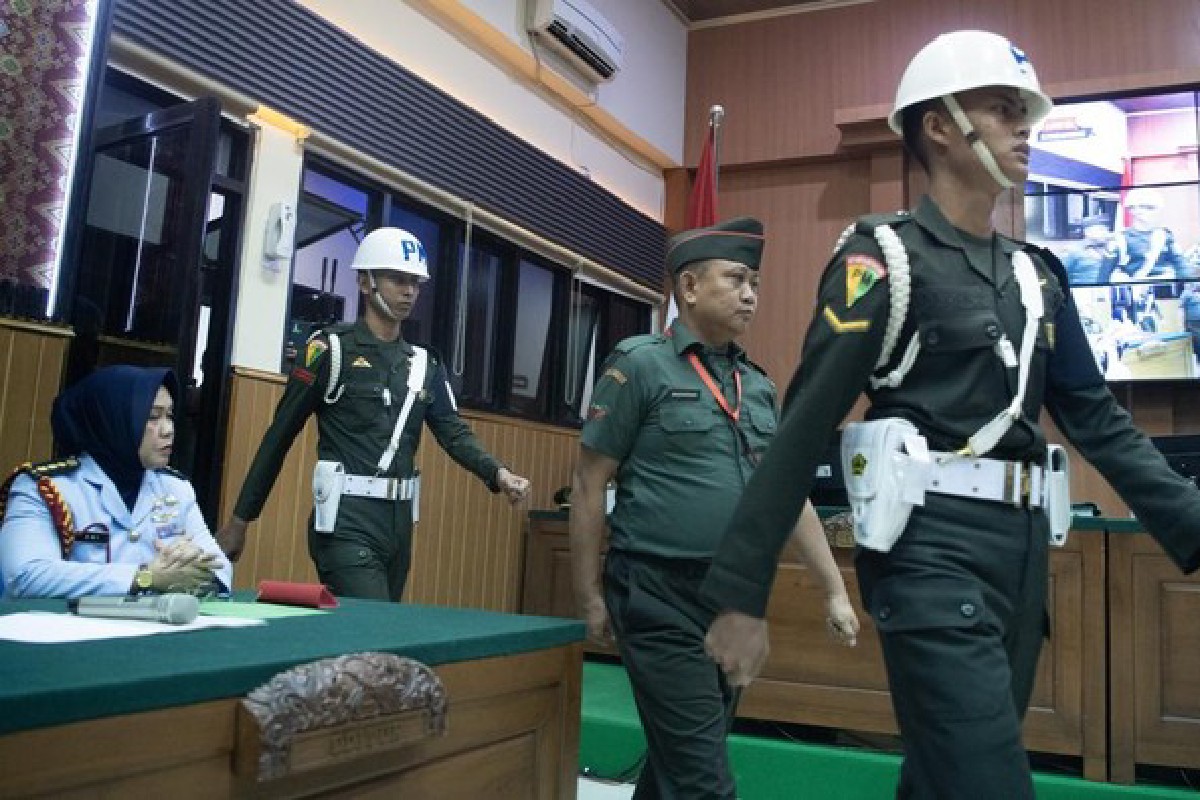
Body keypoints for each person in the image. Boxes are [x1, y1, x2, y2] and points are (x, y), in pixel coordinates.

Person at [699, 31, 1200, 800]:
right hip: (928, 554)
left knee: (943, 779)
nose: (1024, 128)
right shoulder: (884, 260)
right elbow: (801, 428)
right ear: (940, 125)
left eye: (1024, 112)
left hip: (1023, 562)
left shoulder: (1039, 277)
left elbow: (1099, 422)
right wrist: (739, 594)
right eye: (1004, 110)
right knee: (991, 784)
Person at [570, 217, 859, 799]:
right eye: (736, 279)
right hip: (656, 592)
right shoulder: (640, 364)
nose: (751, 294)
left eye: (755, 282)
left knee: (682, 760)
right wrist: (589, 596)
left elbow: (787, 493)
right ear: (690, 287)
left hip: (733, 597)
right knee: (702, 777)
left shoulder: (756, 385)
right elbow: (587, 484)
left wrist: (834, 587)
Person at [216, 227, 531, 601]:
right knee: (374, 634)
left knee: (373, 641)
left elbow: (454, 433)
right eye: (398, 280)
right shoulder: (328, 351)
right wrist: (240, 520)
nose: (409, 291)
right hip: (346, 521)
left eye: (415, 282)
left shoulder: (424, 364)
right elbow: (279, 437)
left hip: (399, 524)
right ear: (365, 283)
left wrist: (498, 472)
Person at [0, 366, 231, 598]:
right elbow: (25, 576)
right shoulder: (44, 488)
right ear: (113, 419)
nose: (168, 430)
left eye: (169, 415)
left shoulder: (175, 488)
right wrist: (145, 577)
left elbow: (221, 569)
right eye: (152, 417)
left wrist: (194, 567)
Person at [1105, 187, 1185, 282]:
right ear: (1133, 210)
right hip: (1133, 286)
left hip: (1163, 286)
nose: (1150, 212)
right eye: (1146, 208)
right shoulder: (1120, 238)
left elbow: (1180, 264)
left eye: (1151, 208)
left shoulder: (1165, 235)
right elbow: (1105, 272)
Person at [1062, 213, 1112, 286]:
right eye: (1101, 230)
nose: (1105, 233)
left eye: (1107, 230)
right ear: (1088, 232)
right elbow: (1060, 274)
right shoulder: (1073, 250)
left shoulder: (1110, 250)